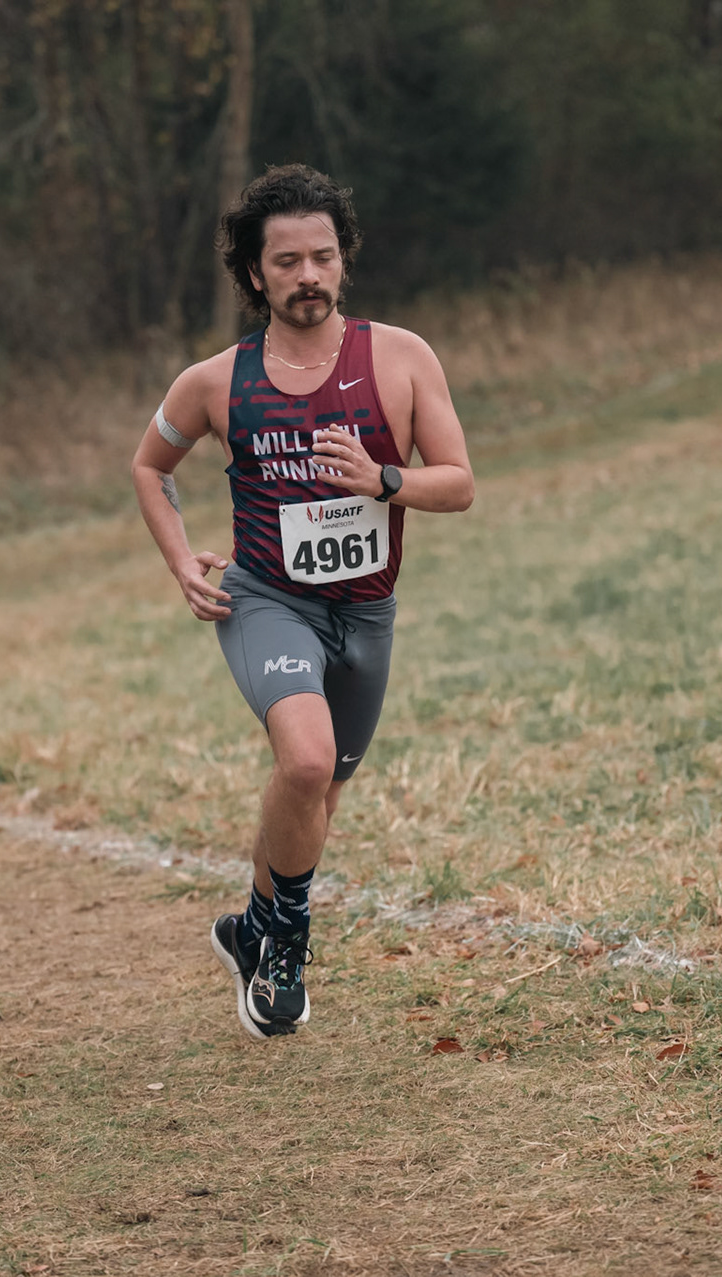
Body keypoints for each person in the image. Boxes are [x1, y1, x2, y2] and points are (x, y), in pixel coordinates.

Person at [130, 165, 475, 1039]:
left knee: (314, 800)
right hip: (267, 600)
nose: (308, 275)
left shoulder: (401, 357)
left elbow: (459, 482)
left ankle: (251, 926)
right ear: (256, 273)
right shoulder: (215, 382)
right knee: (308, 761)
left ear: (343, 259)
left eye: (322, 256)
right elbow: (149, 465)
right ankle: (285, 945)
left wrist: (385, 478)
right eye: (287, 261)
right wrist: (180, 559)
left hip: (366, 614)